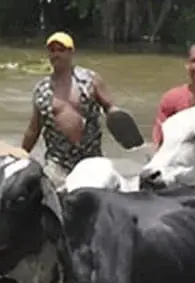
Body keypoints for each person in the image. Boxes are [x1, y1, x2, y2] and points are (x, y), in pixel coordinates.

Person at [22, 31, 121, 176]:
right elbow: (33, 130)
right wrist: (21, 155)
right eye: (52, 50)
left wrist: (120, 122)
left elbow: (111, 108)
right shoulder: (42, 90)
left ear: (71, 52)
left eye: (61, 50)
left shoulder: (90, 80)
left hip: (90, 158)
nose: (56, 54)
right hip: (58, 162)